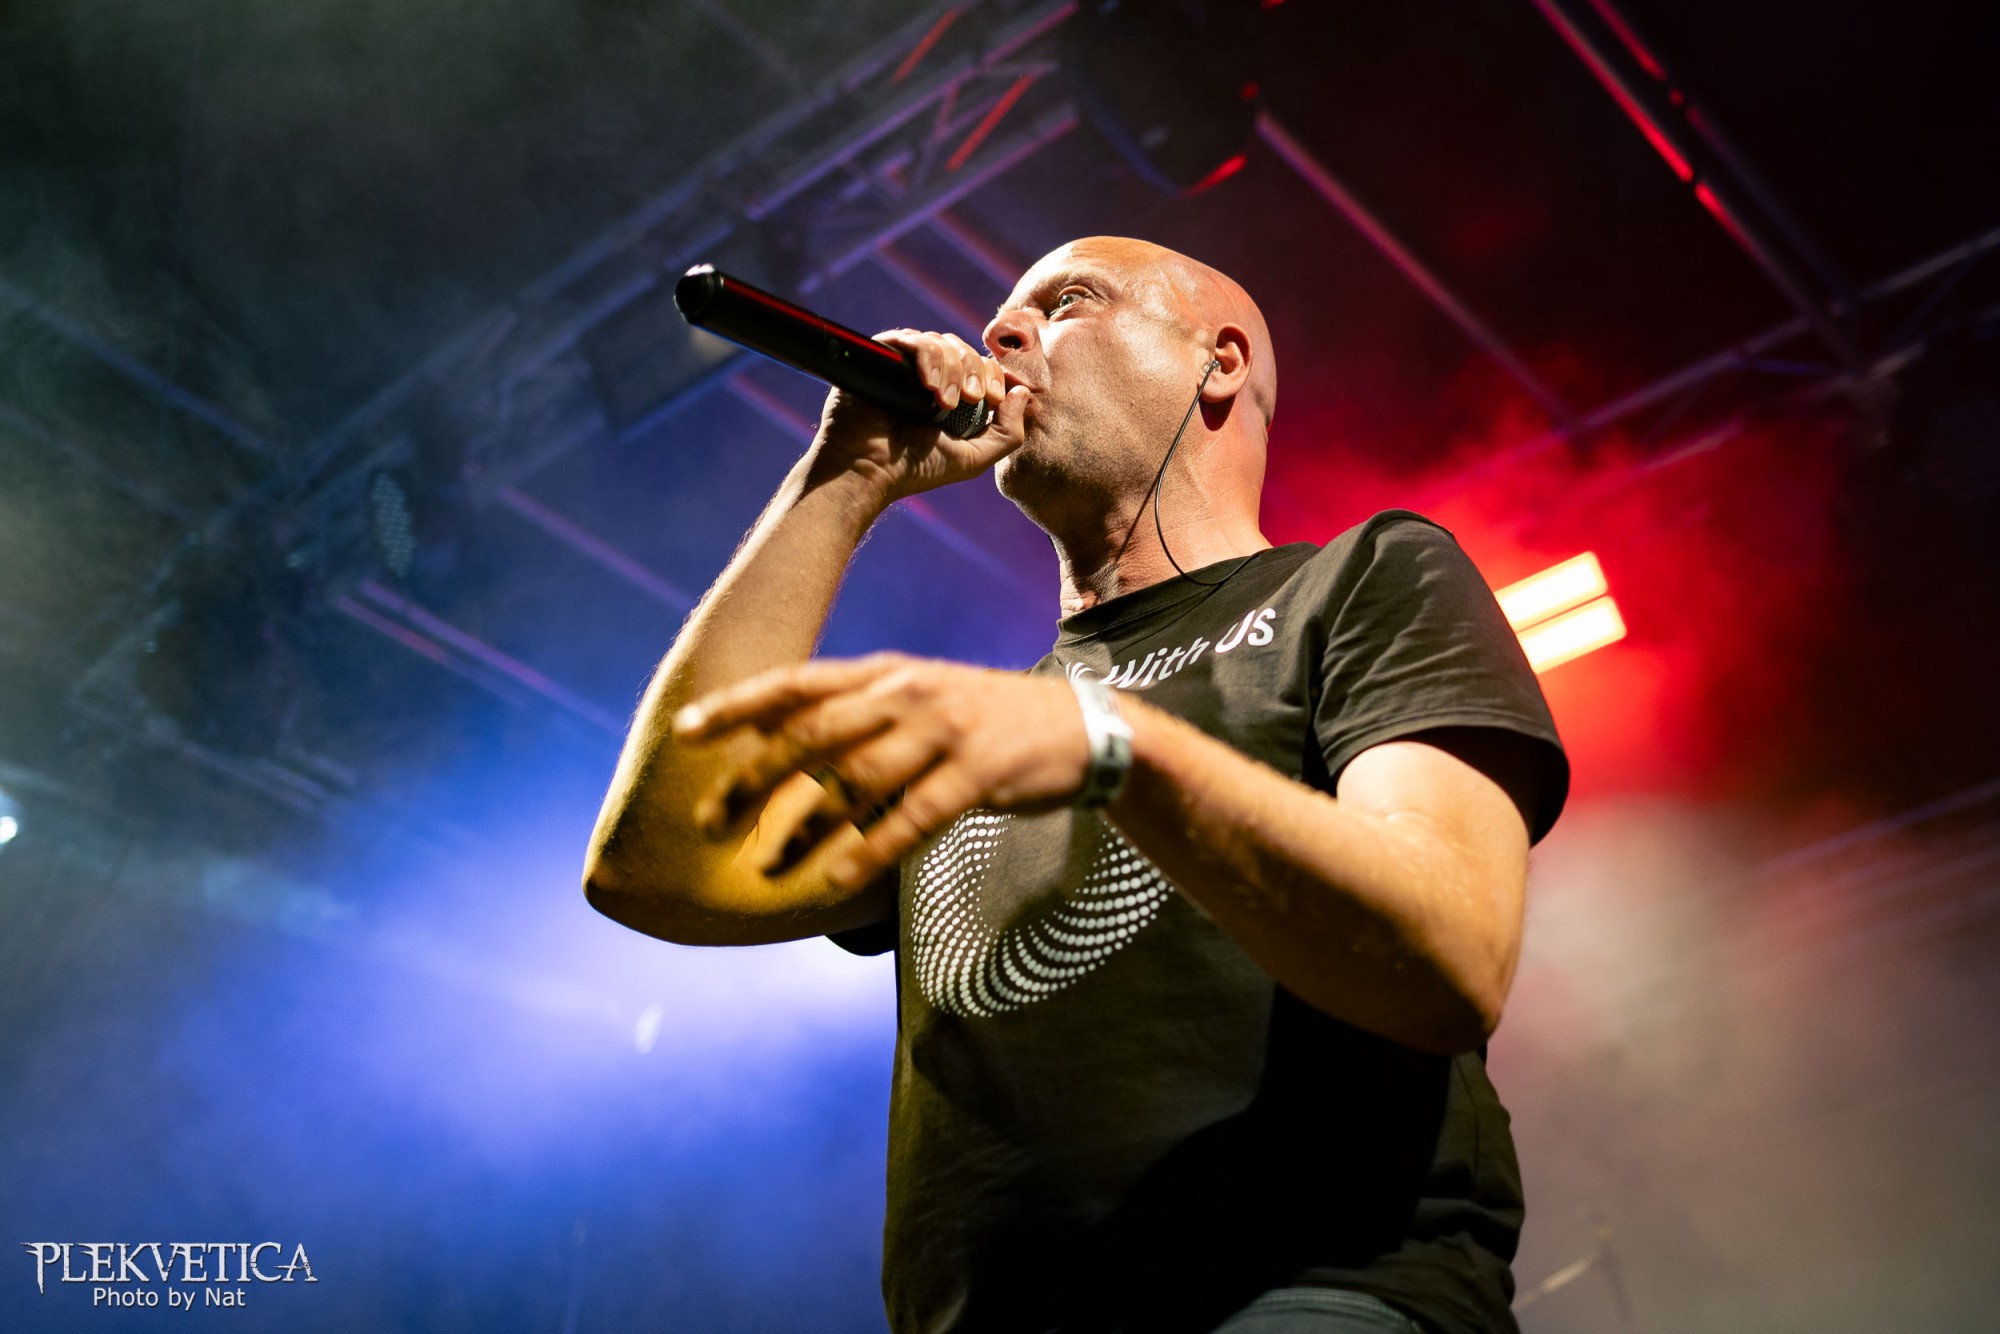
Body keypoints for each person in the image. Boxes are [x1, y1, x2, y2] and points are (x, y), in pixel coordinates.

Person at [582, 236, 1568, 1334]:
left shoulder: (1358, 579)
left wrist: (1112, 747)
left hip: (1304, 1292)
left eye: (1068, 302)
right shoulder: (984, 732)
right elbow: (659, 866)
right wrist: (843, 476)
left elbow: (1448, 952)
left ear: (1219, 362)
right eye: (1006, 315)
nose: (1001, 332)